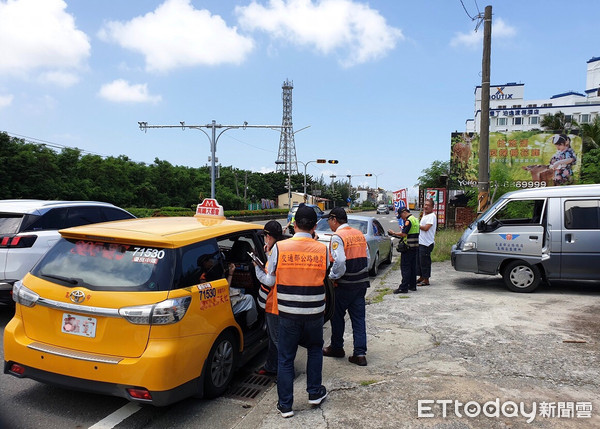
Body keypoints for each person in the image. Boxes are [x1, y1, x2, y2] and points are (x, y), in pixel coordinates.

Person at [253, 205, 329, 418]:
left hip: (287, 314)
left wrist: (258, 269)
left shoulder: (280, 248)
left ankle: (285, 406)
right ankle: (314, 393)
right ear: (314, 226)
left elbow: (270, 280)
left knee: (286, 358)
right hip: (314, 314)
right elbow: (327, 274)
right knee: (315, 350)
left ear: (294, 225)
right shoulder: (322, 249)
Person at [323, 207, 371, 366]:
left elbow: (340, 262)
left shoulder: (338, 236)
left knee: (337, 317)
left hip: (344, 285)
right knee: (358, 319)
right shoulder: (359, 234)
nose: (329, 223)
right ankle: (360, 353)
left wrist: (332, 277)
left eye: (329, 220)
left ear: (334, 219)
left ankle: (337, 347)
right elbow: (367, 257)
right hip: (360, 284)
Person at [254, 220, 285, 376]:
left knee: (277, 339)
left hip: (275, 304)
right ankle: (272, 366)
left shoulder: (275, 252)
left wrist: (256, 269)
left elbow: (270, 280)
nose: (264, 240)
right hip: (280, 302)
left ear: (269, 236)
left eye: (265, 236)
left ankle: (285, 372)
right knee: (273, 339)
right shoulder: (280, 249)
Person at [198, 254, 258, 327]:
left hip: (215, 301)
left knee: (241, 291)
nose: (212, 260)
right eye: (208, 260)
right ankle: (251, 325)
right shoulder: (204, 278)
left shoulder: (209, 272)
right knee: (250, 299)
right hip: (217, 305)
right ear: (204, 263)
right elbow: (225, 290)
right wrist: (230, 273)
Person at [388, 207, 420, 294]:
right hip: (415, 246)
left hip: (408, 247)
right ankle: (412, 285)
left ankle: (404, 287)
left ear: (404, 212)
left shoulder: (408, 221)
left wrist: (393, 233)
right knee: (413, 267)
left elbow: (404, 234)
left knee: (405, 268)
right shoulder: (415, 220)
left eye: (401, 215)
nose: (402, 218)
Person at [416, 199, 437, 286]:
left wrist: (417, 225)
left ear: (432, 207)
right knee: (419, 261)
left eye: (428, 205)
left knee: (425, 262)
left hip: (427, 243)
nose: (426, 206)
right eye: (425, 205)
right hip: (421, 242)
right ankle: (421, 277)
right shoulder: (425, 215)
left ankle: (426, 279)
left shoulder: (432, 216)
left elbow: (426, 228)